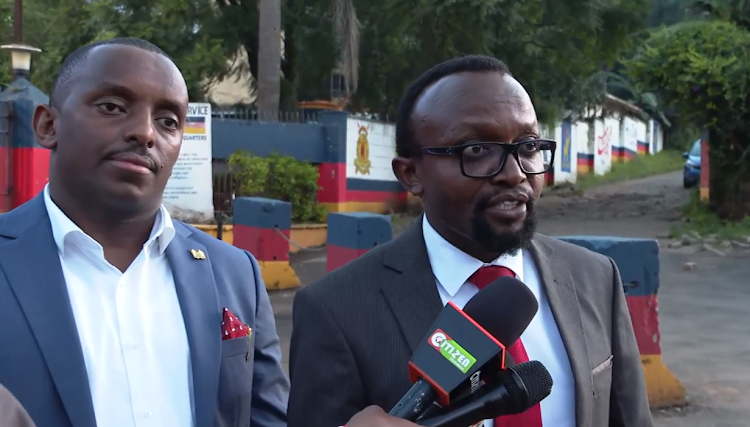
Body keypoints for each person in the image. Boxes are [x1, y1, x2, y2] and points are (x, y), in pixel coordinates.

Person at [287, 55, 653, 427]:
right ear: (411, 174)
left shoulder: (594, 277)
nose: (514, 174)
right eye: (476, 150)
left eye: (527, 147)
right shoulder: (337, 309)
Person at [0, 37, 288, 427]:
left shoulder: (236, 273)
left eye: (168, 121)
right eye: (112, 107)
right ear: (48, 125)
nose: (144, 133)